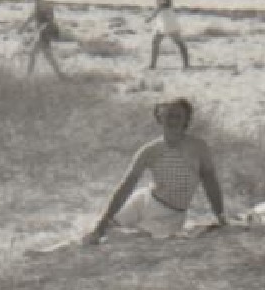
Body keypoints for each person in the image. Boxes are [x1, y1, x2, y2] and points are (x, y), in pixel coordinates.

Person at [83, 98, 227, 245]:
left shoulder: (198, 148)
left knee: (128, 242)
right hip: (143, 201)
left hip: (170, 214)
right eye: (168, 116)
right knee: (100, 231)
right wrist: (103, 222)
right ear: (159, 118)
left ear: (186, 120)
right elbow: (127, 185)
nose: (173, 121)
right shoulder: (150, 150)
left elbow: (210, 181)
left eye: (178, 116)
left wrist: (220, 214)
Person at [20, 0, 64, 78]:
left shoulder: (40, 3)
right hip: (44, 31)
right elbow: (34, 16)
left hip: (45, 32)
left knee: (34, 54)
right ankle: (61, 75)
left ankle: (28, 77)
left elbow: (49, 18)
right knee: (47, 56)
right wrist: (23, 27)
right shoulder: (40, 2)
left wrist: (24, 27)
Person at [148, 0, 189, 71]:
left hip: (167, 19)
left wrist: (152, 16)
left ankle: (186, 64)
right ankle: (152, 65)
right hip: (164, 19)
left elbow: (161, 5)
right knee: (156, 41)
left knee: (177, 41)